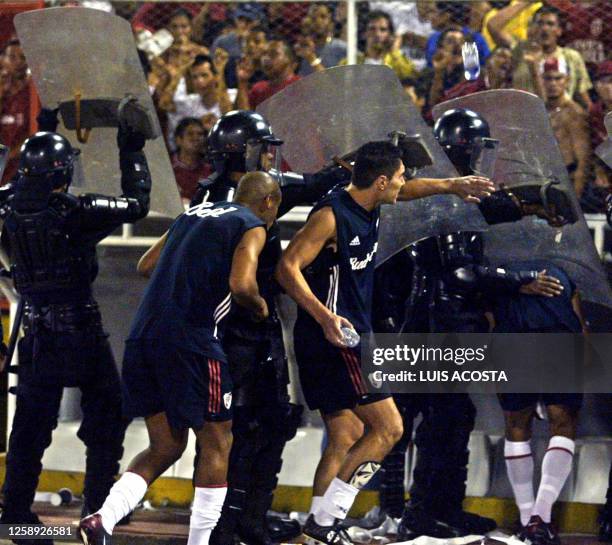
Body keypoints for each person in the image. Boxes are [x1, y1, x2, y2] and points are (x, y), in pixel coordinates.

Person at [145, 109, 353, 545]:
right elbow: (312, 186)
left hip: (225, 331)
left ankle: (240, 519)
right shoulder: (250, 200)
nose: (270, 159)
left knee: (250, 426)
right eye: (262, 149)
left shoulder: (204, 201)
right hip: (239, 330)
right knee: (243, 427)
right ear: (242, 153)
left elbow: (153, 264)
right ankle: (234, 522)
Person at [275, 140, 496, 545]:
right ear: (379, 181)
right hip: (336, 338)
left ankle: (314, 535)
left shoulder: (370, 201)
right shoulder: (331, 215)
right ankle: (324, 525)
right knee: (390, 428)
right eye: (397, 177)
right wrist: (326, 318)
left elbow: (410, 190)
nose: (403, 183)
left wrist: (452, 186)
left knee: (345, 436)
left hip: (338, 336)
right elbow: (287, 268)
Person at [380, 108, 566, 540]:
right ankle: (422, 513)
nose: (484, 155)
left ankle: (444, 507)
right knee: (441, 418)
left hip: (444, 321)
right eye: (479, 146)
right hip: (442, 323)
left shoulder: (451, 192)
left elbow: (490, 206)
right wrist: (522, 281)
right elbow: (461, 271)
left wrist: (531, 200)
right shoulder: (445, 196)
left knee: (455, 415)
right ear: (464, 148)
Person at [78, 172, 282, 545]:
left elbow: (145, 265)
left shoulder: (193, 213)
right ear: (268, 202)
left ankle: (101, 519)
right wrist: (260, 306)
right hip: (193, 341)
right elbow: (242, 285)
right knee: (219, 440)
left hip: (143, 338)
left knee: (167, 445)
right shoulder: (252, 224)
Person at [0, 113, 151, 545]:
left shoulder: (7, 205)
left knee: (30, 430)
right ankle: (97, 513)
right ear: (64, 173)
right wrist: (132, 149)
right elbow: (136, 203)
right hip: (81, 330)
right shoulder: (74, 212)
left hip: (36, 333)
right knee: (108, 418)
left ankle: (16, 520)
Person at [493, 261, 587, 545]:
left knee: (518, 424)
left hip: (516, 335)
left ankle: (530, 520)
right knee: (561, 422)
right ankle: (538, 519)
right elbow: (579, 320)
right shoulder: (565, 263)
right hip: (552, 334)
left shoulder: (497, 261)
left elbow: (487, 315)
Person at [511, 5, 592, 110]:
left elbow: (584, 98)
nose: (544, 28)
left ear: (559, 30)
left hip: (559, 119)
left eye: (550, 24)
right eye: (540, 23)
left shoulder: (571, 57)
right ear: (532, 28)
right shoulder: (520, 51)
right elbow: (493, 26)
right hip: (522, 116)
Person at [543, 57, 591, 198]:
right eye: (548, 78)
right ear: (542, 80)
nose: (553, 83)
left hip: (566, 181)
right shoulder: (539, 109)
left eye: (558, 78)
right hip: (543, 179)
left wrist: (574, 201)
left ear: (567, 80)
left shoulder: (574, 113)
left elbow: (582, 162)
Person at [340, 10, 416, 81]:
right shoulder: (349, 63)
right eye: (372, 29)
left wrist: (394, 51)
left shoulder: (397, 62)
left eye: (383, 30)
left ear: (389, 35)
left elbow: (410, 77)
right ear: (364, 33)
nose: (377, 34)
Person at [236, 39, 300, 110]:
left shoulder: (301, 87)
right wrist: (242, 82)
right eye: (263, 54)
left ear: (289, 60)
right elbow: (245, 118)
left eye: (273, 54)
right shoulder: (258, 89)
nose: (266, 59)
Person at [295, 4, 347, 76]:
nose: (318, 21)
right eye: (313, 18)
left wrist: (311, 58)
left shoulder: (342, 48)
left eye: (323, 17)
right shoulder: (301, 49)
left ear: (331, 23)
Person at [171, 117, 211, 206]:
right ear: (178, 140)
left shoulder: (210, 171)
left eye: (200, 134)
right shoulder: (167, 167)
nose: (196, 138)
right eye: (190, 134)